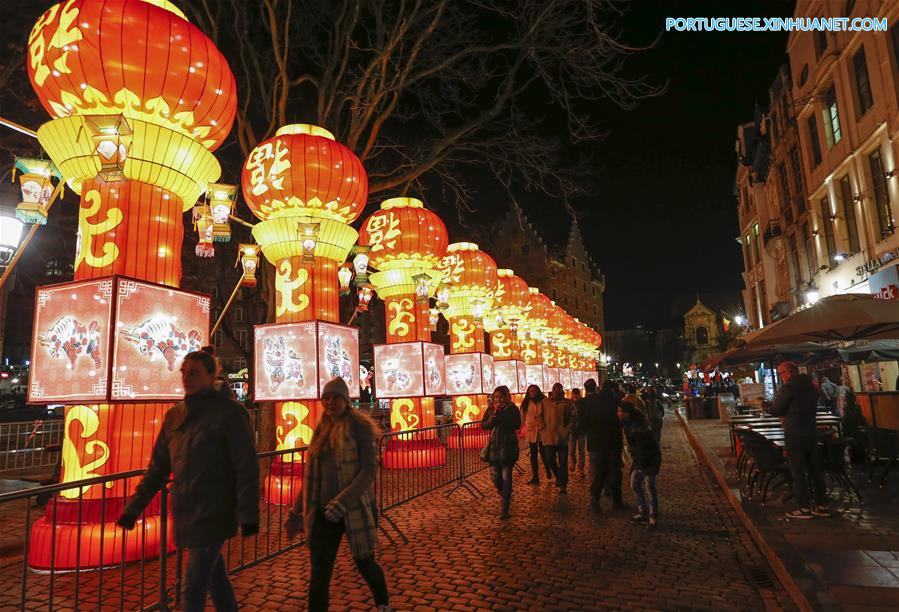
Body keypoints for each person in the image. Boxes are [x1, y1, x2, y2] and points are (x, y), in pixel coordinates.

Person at [117, 351, 259, 611]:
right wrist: (133, 509)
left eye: (194, 373)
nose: (186, 378)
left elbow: (246, 465)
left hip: (214, 512)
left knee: (191, 590)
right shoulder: (175, 416)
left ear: (211, 374)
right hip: (185, 511)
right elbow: (158, 467)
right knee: (216, 580)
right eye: (184, 372)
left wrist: (248, 514)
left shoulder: (230, 413)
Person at [284, 377, 390, 612]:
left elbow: (368, 470)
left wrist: (343, 500)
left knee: (365, 563)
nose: (330, 402)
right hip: (323, 512)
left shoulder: (359, 427)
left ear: (346, 399)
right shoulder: (321, 428)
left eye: (335, 397)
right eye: (326, 397)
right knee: (320, 574)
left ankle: (383, 603)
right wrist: (296, 510)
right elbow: (312, 475)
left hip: (355, 508)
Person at [769, 361, 830, 520]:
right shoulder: (811, 386)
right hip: (810, 431)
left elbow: (776, 410)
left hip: (794, 433)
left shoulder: (789, 388)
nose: (780, 377)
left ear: (788, 373)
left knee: (798, 471)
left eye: (781, 373)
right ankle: (822, 505)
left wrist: (764, 405)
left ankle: (803, 507)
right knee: (815, 469)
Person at [581, 378, 624, 513]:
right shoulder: (615, 402)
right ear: (612, 389)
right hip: (612, 442)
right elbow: (620, 421)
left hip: (596, 442)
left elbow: (585, 421)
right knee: (614, 471)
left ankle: (595, 497)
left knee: (599, 471)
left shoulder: (593, 402)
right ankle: (617, 501)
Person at [481, 385, 523, 519]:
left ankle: (504, 507)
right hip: (494, 448)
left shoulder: (512, 409)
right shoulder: (491, 410)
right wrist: (491, 420)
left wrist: (501, 418)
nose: (498, 400)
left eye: (500, 397)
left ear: (506, 397)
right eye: (496, 397)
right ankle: (504, 491)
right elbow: (483, 425)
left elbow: (516, 424)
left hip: (508, 448)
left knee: (506, 477)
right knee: (495, 478)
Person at [619, 402, 661, 528]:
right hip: (640, 460)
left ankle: (653, 516)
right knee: (635, 484)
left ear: (626, 413)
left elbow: (643, 449)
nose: (618, 413)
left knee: (649, 487)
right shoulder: (629, 425)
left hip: (649, 459)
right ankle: (643, 511)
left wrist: (641, 466)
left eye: (620, 411)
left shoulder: (637, 428)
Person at [537, 383, 574, 494]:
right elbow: (539, 416)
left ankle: (563, 484)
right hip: (549, 436)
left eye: (559, 389)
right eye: (555, 389)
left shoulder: (568, 403)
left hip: (562, 436)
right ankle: (559, 477)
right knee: (549, 459)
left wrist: (568, 429)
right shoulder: (545, 402)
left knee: (563, 461)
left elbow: (573, 416)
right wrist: (542, 427)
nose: (557, 391)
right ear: (552, 390)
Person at [521, 384, 551, 484]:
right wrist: (519, 428)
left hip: (542, 430)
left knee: (543, 453)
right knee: (533, 454)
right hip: (531, 430)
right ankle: (535, 476)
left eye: (534, 390)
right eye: (530, 391)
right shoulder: (526, 403)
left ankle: (548, 469)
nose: (532, 392)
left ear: (538, 391)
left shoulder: (543, 401)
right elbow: (522, 416)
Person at [569, 388, 587, 474]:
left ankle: (581, 468)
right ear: (572, 395)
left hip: (581, 430)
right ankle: (573, 463)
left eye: (576, 394)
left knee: (582, 451)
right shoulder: (569, 403)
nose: (575, 396)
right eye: (574, 394)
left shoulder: (583, 403)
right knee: (571, 450)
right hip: (572, 430)